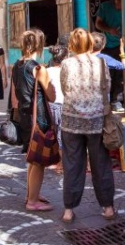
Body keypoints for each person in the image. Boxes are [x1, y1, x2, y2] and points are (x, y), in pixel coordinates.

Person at [59, 28, 116, 223]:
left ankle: (69, 209)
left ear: (72, 45)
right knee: (101, 164)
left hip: (71, 119)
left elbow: (65, 88)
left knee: (72, 164)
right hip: (97, 120)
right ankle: (108, 207)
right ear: (90, 43)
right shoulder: (101, 63)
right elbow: (106, 87)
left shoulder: (66, 64)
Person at [12, 28, 56, 212]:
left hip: (24, 115)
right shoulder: (39, 69)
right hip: (39, 117)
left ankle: (32, 194)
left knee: (32, 158)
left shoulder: (16, 65)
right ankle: (32, 201)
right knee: (38, 161)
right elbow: (51, 96)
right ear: (40, 46)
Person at [95, 0, 125, 112]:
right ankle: (106, 101)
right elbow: (98, 23)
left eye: (120, 2)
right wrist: (109, 30)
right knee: (108, 74)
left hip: (122, 45)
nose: (119, 6)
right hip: (107, 46)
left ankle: (117, 101)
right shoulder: (105, 6)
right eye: (117, 1)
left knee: (120, 74)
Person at [46, 39, 69, 174]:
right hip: (63, 105)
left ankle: (54, 160)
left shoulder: (47, 71)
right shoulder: (66, 71)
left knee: (53, 134)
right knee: (61, 135)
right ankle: (61, 163)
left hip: (51, 106)